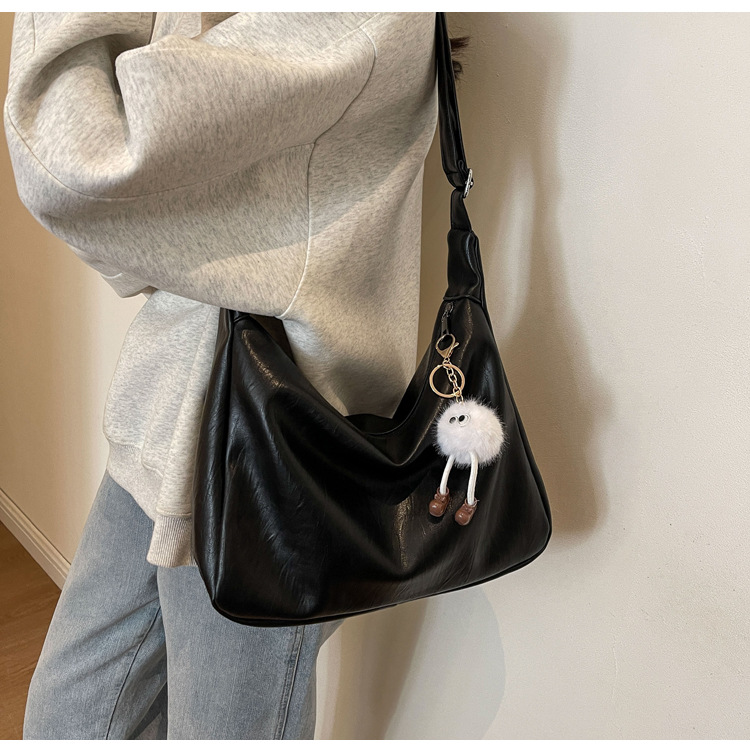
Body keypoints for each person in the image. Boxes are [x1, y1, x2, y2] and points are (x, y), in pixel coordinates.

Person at [3, 12, 462, 739]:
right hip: (171, 417)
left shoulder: (358, 19)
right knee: (72, 714)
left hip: (273, 464)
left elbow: (79, 164)